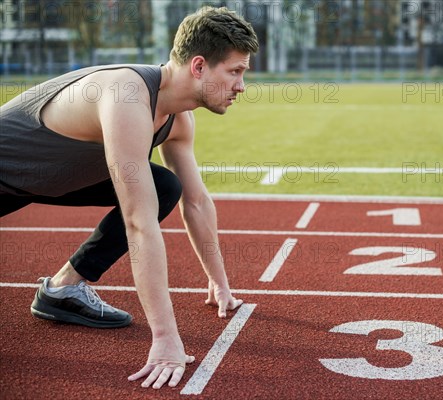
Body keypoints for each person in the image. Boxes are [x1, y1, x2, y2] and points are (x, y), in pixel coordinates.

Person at [0, 6, 259, 390]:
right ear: (200, 66)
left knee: (165, 186)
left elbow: (197, 202)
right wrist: (166, 338)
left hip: (49, 179)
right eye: (235, 71)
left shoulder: (178, 118)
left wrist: (219, 283)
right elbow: (139, 221)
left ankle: (64, 289)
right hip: (9, 176)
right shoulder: (127, 93)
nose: (241, 86)